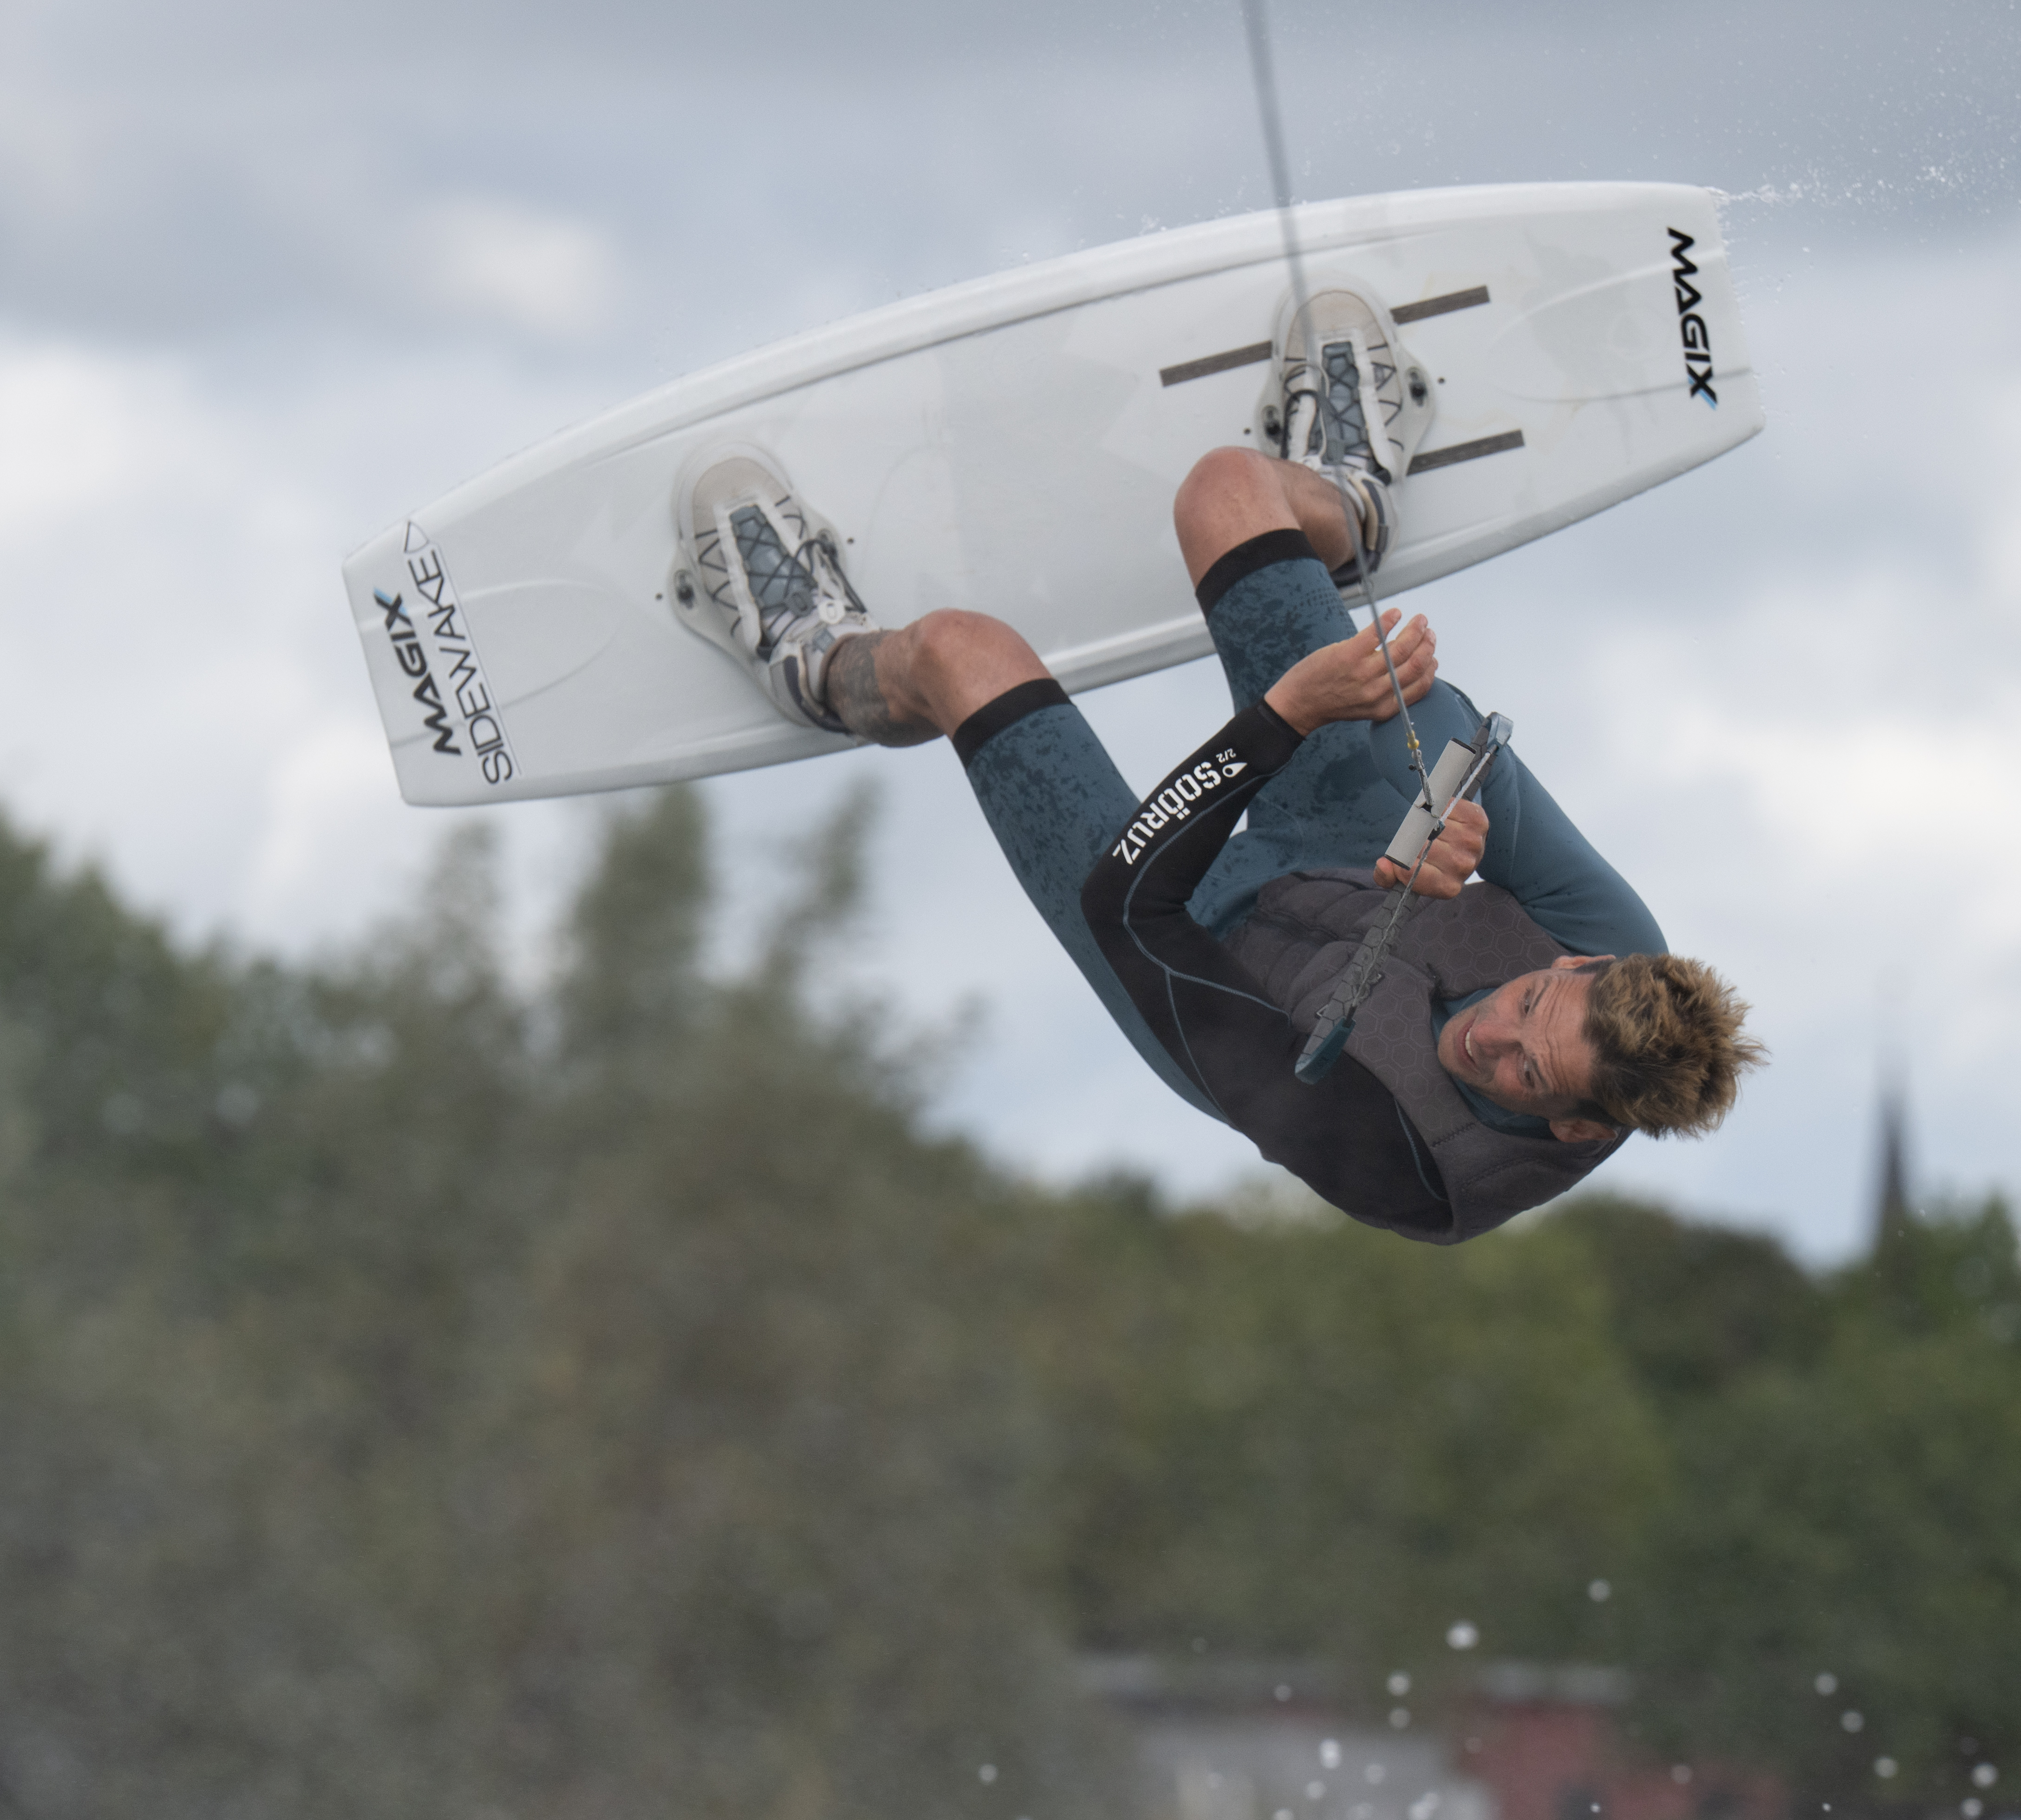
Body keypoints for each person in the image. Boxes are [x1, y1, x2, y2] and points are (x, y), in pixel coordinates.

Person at [667, 287, 1760, 1244]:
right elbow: (1461, 733)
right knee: (1225, 490)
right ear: (1577, 966)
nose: (1491, 1034)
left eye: (1526, 1071)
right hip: (1347, 854)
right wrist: (1444, 804)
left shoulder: (1402, 1161)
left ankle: (816, 664)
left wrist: (1283, 719)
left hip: (1190, 948)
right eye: (1529, 1001)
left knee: (964, 650)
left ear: (1577, 1128)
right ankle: (1351, 500)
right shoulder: (1617, 942)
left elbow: (1129, 902)